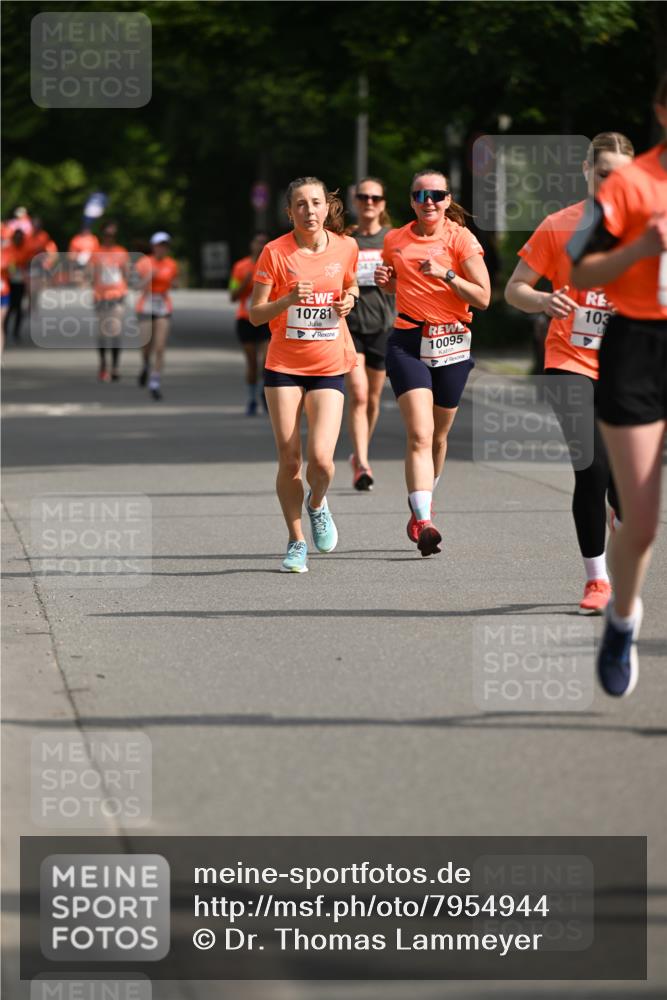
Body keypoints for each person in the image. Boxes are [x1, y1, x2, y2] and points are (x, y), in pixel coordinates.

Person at [505, 132, 634, 614]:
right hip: (569, 362)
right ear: (586, 171)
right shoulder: (559, 226)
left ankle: (621, 525)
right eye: (603, 174)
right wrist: (543, 299)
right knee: (592, 468)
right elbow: (515, 289)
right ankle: (597, 580)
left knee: (624, 484)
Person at [568, 75, 667, 696]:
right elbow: (580, 267)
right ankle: (623, 621)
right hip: (639, 349)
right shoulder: (629, 184)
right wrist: (641, 249)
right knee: (641, 518)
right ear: (661, 110)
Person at [376, 170, 490, 556]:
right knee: (420, 434)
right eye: (421, 195)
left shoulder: (461, 239)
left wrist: (447, 274)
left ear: (447, 199)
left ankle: (422, 501)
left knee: (439, 437)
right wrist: (387, 282)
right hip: (408, 342)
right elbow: (399, 284)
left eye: (437, 195)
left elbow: (483, 297)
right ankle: (424, 521)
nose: (429, 201)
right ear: (411, 201)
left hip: (452, 342)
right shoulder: (395, 239)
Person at [249, 176, 359, 573]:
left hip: (328, 364)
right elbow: (255, 313)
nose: (309, 210)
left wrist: (350, 300)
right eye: (300, 204)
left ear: (327, 207)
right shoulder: (275, 252)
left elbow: (350, 284)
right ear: (289, 212)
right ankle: (296, 541)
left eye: (315, 203)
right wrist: (288, 299)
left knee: (323, 462)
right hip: (284, 366)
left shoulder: (346, 246)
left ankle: (317, 503)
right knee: (290, 458)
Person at [345, 177, 395, 490]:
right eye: (363, 197)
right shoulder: (345, 240)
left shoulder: (393, 239)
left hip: (383, 326)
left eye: (375, 198)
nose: (369, 202)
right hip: (349, 326)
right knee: (359, 394)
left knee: (373, 399)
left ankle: (358, 452)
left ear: (383, 203)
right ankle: (362, 463)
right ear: (355, 201)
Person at [229, 233, 270, 415]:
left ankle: (264, 393)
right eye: (258, 242)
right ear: (251, 245)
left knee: (266, 362)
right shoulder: (240, 266)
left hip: (266, 319)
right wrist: (245, 282)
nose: (260, 246)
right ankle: (252, 398)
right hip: (245, 319)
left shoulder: (272, 265)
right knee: (252, 363)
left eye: (264, 243)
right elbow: (232, 296)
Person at [135, 232, 179, 400]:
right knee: (146, 346)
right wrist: (149, 277)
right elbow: (136, 286)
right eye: (159, 245)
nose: (162, 249)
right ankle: (146, 365)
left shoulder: (171, 264)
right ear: (153, 247)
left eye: (165, 246)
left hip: (163, 306)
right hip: (146, 305)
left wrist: (174, 284)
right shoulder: (143, 262)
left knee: (160, 347)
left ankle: (155, 382)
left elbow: (175, 282)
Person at [88, 222, 130, 382]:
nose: (109, 238)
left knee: (115, 330)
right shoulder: (96, 253)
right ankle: (103, 364)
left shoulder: (121, 252)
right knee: (102, 333)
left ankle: (115, 367)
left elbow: (126, 273)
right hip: (100, 297)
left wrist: (124, 289)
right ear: (102, 235)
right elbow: (90, 274)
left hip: (117, 296)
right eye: (106, 235)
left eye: (112, 235)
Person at [4, 229, 33, 342]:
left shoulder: (26, 249)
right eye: (16, 237)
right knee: (8, 308)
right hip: (8, 281)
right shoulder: (7, 249)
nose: (18, 240)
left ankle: (16, 332)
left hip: (20, 281)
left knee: (19, 307)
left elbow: (29, 263)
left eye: (20, 238)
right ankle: (4, 331)